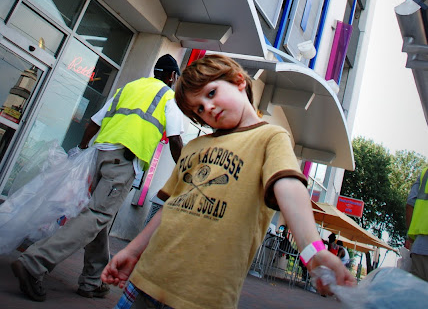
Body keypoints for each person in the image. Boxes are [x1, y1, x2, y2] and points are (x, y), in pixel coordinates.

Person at [102, 54, 356, 309]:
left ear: (238, 81)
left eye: (211, 93)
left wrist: (313, 250)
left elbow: (289, 187)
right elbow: (169, 208)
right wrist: (132, 251)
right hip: (145, 280)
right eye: (199, 109)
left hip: (203, 299)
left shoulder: (270, 137)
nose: (208, 108)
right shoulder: (194, 146)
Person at [12, 54, 184, 302]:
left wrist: (82, 147)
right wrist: (186, 171)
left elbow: (94, 121)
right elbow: (175, 139)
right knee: (96, 215)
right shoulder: (168, 97)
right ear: (172, 76)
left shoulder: (129, 88)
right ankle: (34, 262)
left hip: (99, 156)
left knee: (99, 216)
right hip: (123, 161)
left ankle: (92, 281)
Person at [405, 166, 428, 283]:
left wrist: (410, 238)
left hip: (421, 247)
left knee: (417, 291)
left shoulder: (425, 173)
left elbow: (410, 205)